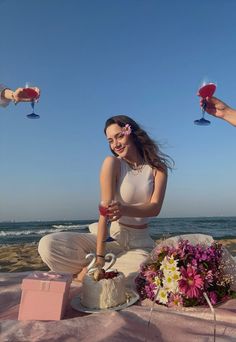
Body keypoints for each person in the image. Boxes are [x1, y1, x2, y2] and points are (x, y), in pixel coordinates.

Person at [38, 115, 173, 287]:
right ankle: (95, 269)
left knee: (142, 273)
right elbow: (104, 213)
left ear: (132, 133)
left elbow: (154, 208)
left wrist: (125, 209)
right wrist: (100, 258)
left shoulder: (158, 168)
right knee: (48, 245)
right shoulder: (113, 163)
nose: (115, 144)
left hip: (140, 243)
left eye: (119, 136)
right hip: (113, 239)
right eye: (110, 140)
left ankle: (91, 275)